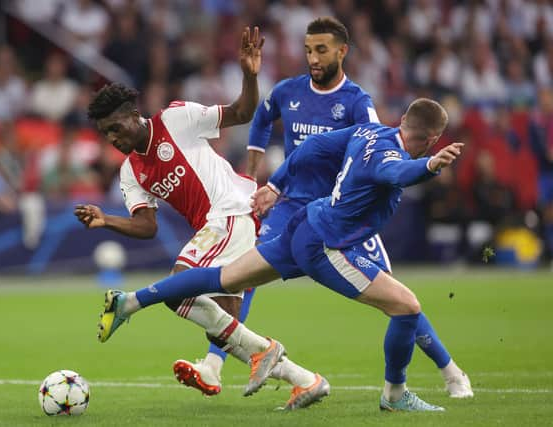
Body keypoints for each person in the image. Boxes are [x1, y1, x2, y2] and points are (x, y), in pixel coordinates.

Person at [98, 98, 463, 412]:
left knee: (222, 279)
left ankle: (131, 302)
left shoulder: (370, 132)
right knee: (407, 306)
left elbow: (310, 149)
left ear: (401, 121)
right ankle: (395, 394)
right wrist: (429, 167)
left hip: (304, 227)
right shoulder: (390, 153)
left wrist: (276, 183)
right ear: (432, 140)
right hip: (327, 246)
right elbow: (396, 171)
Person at [184, 16, 472, 400]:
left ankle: (451, 371)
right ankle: (214, 365)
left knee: (397, 299)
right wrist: (260, 178)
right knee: (243, 276)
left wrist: (421, 168)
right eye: (308, 50)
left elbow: (379, 152)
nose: (313, 58)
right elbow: (262, 118)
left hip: (341, 215)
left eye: (321, 50)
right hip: (292, 208)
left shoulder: (357, 103)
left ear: (342, 52)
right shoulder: (288, 91)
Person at [75, 27, 330, 410]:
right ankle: (303, 379)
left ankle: (262, 354)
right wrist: (106, 220)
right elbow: (147, 226)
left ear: (133, 116)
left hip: (233, 210)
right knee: (224, 320)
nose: (111, 138)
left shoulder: (176, 118)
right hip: (219, 225)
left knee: (179, 287)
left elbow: (242, 112)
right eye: (104, 133)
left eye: (115, 128)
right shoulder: (131, 172)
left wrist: (249, 73)